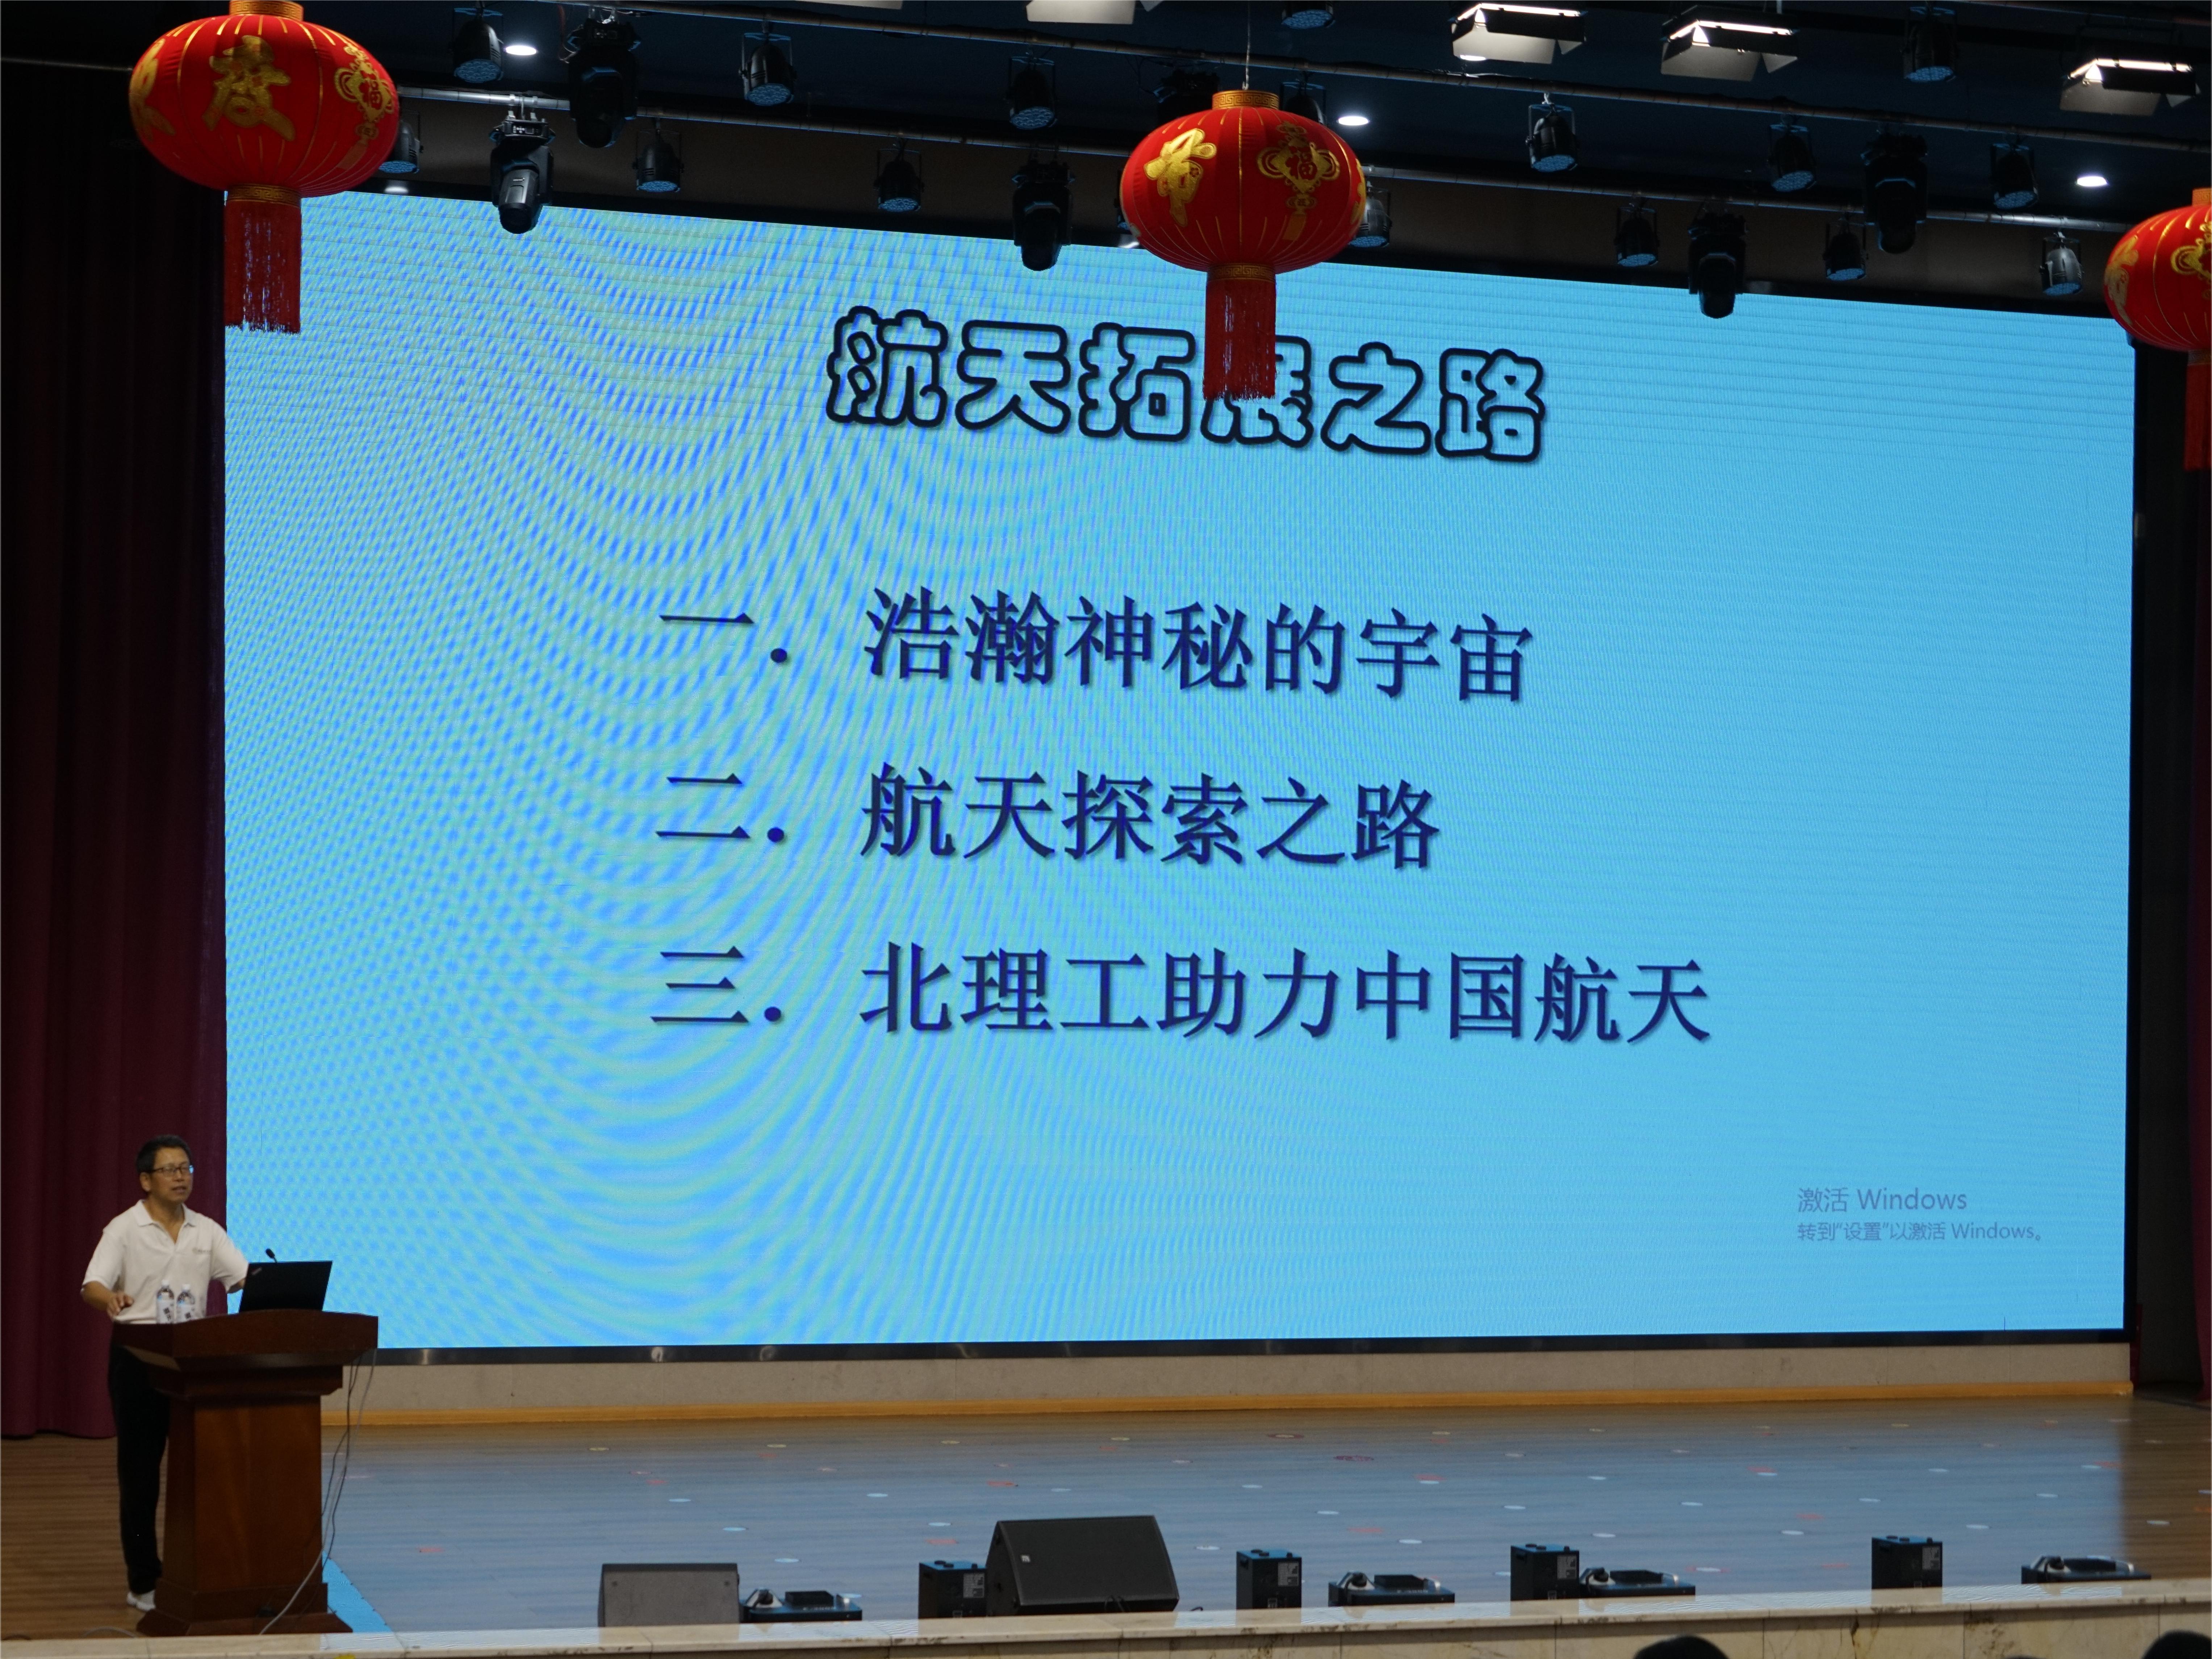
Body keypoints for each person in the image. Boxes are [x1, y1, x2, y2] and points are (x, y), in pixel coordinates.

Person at [80, 1136, 249, 1613]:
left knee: (202, 1469)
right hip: (139, 1359)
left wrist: (271, 1288)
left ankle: (201, 1568)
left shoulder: (206, 1230)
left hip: (192, 1360)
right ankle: (143, 1580)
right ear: (146, 1180)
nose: (181, 1177)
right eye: (170, 1169)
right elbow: (92, 1285)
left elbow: (242, 1277)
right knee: (140, 1475)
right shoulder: (124, 1229)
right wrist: (110, 1298)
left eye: (186, 1168)